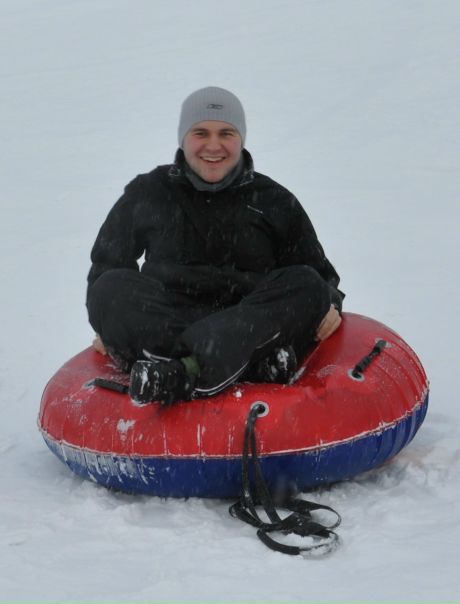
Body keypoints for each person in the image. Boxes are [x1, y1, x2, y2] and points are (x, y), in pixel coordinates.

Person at [86, 86, 344, 405]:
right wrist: (109, 322)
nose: (213, 145)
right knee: (109, 288)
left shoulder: (274, 200)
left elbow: (317, 274)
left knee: (306, 284)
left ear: (241, 139)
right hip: (167, 320)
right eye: (201, 133)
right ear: (183, 138)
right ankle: (244, 366)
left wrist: (330, 302)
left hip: (246, 323)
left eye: (226, 133)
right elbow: (107, 265)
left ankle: (184, 370)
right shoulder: (150, 192)